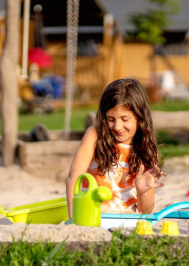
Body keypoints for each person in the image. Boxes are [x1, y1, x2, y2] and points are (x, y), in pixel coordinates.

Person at [66, 78, 165, 219]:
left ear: (140, 117)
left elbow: (146, 212)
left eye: (125, 119)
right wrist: (74, 219)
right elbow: (74, 178)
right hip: (91, 216)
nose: (117, 127)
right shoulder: (95, 135)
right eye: (111, 119)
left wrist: (142, 192)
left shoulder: (147, 149)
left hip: (126, 220)